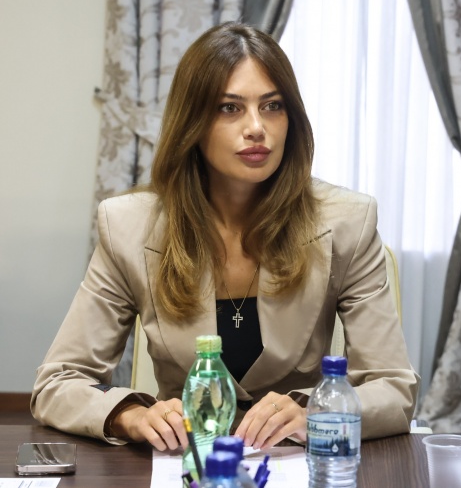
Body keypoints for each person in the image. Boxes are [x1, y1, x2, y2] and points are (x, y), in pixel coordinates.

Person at [31, 22, 419, 453]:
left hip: (294, 461)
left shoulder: (347, 221)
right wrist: (131, 415)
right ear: (192, 123)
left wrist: (317, 411)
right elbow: (58, 383)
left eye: (272, 106)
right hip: (184, 462)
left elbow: (394, 389)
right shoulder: (128, 226)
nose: (256, 127)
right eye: (230, 108)